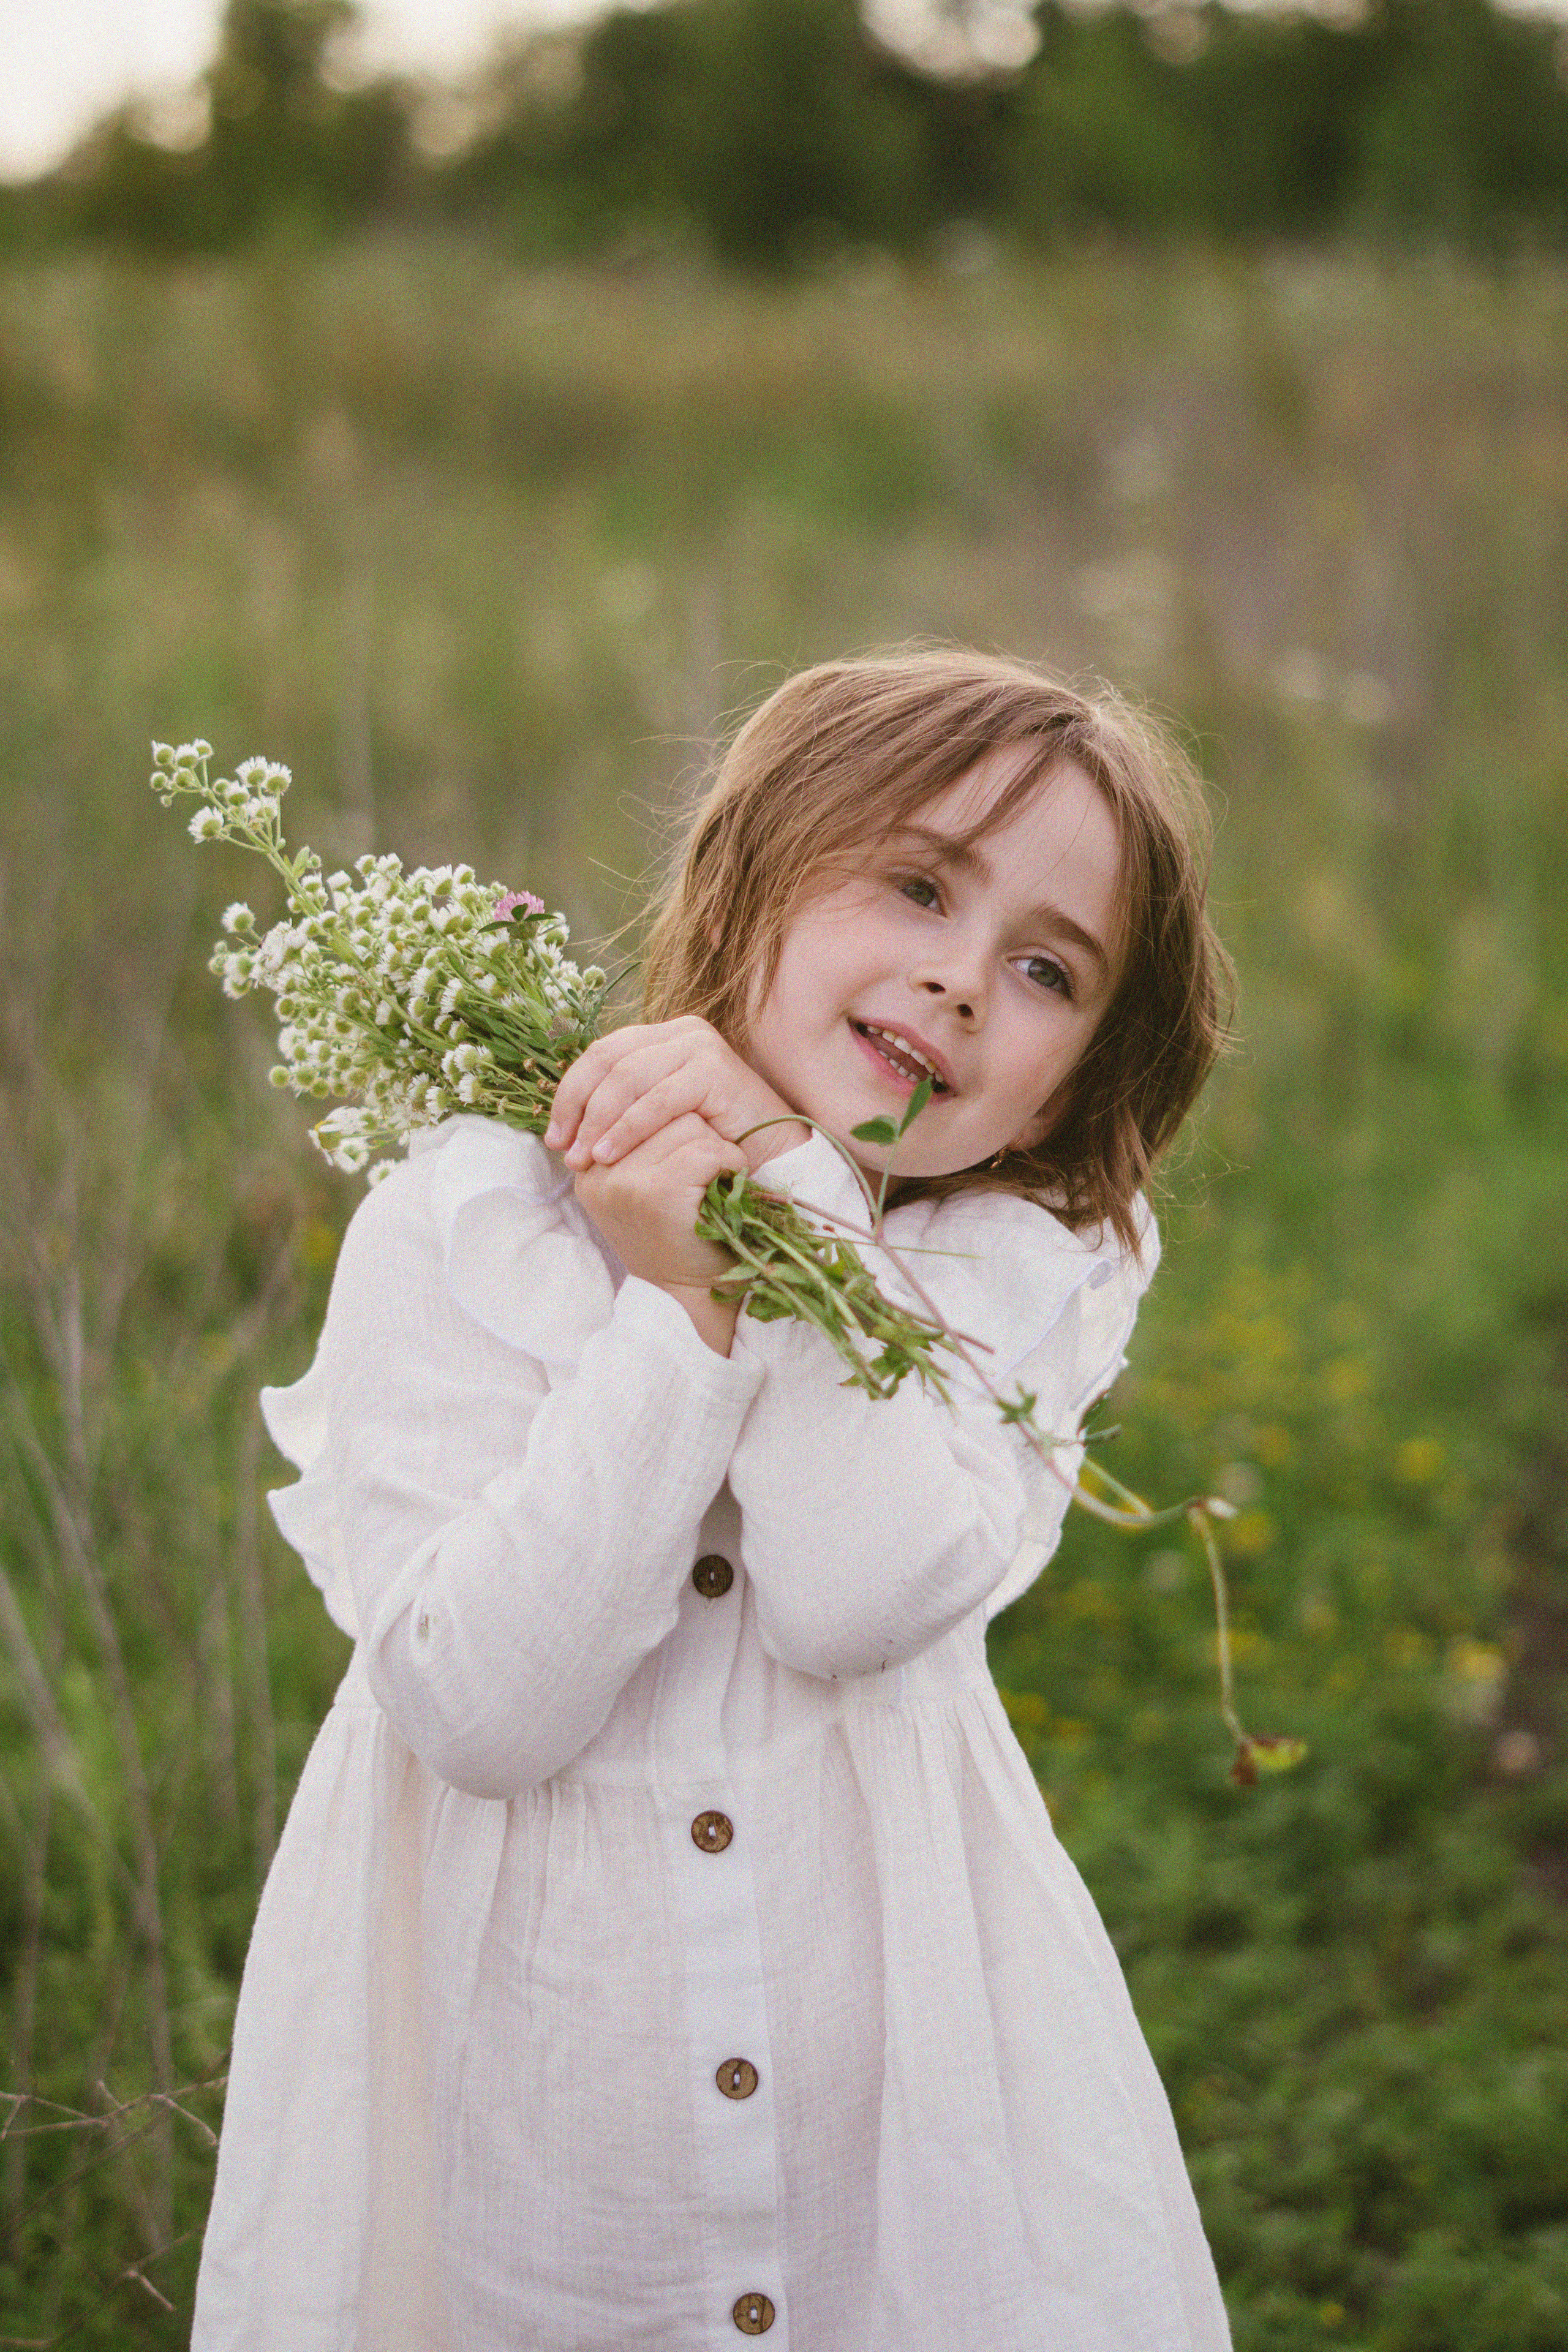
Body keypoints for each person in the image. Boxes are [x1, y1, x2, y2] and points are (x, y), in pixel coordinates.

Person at [192, 649, 1235, 2351]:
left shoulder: (1017, 1277)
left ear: (1077, 1078)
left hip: (886, 2117)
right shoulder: (470, 1220)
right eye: (916, 883)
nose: (962, 980)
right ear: (749, 865)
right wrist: (676, 1314)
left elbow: (855, 1589)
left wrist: (790, 1211)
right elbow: (476, 1703)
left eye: (1047, 970)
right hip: (526, 2113)